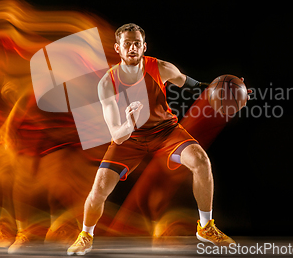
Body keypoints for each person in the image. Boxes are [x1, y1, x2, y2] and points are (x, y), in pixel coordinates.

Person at [67, 23, 236, 255]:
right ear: (118, 48)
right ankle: (85, 235)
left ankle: (206, 227)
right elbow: (116, 134)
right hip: (129, 138)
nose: (133, 48)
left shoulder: (161, 68)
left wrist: (228, 91)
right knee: (99, 190)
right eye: (128, 44)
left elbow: (193, 85)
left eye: (137, 43)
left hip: (165, 131)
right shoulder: (107, 83)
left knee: (200, 160)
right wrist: (129, 122)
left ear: (144, 46)